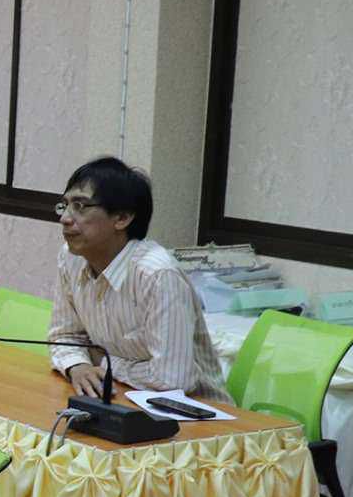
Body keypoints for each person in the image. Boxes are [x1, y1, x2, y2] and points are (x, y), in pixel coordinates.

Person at [48, 156, 228, 400]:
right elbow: (64, 336)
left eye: (80, 206)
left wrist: (104, 362)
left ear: (122, 218)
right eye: (64, 205)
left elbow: (173, 379)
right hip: (120, 395)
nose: (65, 218)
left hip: (194, 412)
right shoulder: (71, 258)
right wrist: (78, 366)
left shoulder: (157, 275)